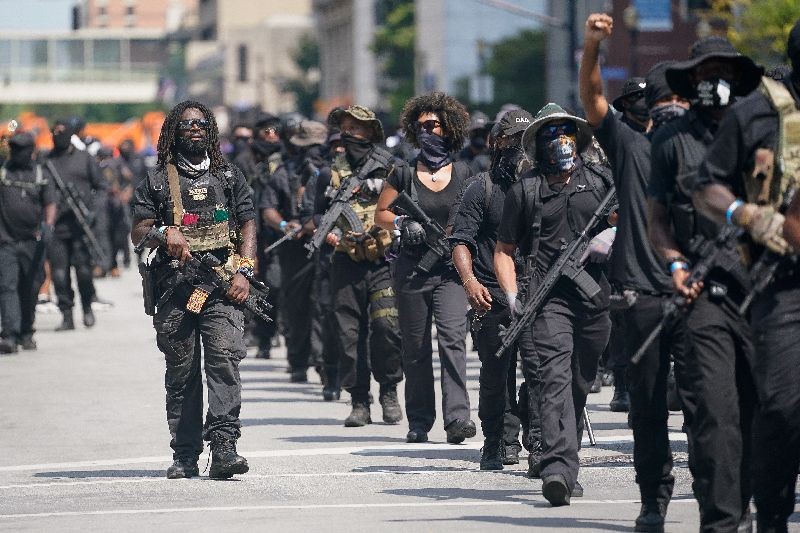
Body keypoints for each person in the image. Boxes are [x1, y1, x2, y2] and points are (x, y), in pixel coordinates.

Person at [579, 14, 696, 531]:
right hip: (641, 296)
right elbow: (593, 99)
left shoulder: (712, 144)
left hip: (698, 295)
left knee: (707, 403)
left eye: (676, 98)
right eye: (659, 101)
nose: (666, 108)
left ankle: (718, 494)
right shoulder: (629, 143)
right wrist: (591, 47)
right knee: (647, 408)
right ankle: (654, 498)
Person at [647, 36, 763, 532]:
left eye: (722, 71)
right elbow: (657, 220)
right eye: (704, 72)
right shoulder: (671, 141)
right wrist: (674, 264)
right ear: (691, 81)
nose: (713, 81)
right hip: (704, 293)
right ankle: (721, 522)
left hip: (765, 292)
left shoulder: (764, 132)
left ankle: (757, 506)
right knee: (715, 414)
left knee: (766, 413)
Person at [692, 19, 800, 532]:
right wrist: (747, 215)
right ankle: (773, 513)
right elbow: (706, 187)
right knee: (780, 405)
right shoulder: (756, 113)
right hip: (783, 283)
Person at [494, 103, 614, 506]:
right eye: (549, 133)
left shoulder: (600, 182)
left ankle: (566, 456)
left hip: (595, 296)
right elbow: (504, 250)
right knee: (553, 381)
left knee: (579, 384)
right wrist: (512, 297)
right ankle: (558, 469)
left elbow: (632, 218)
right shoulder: (525, 190)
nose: (559, 140)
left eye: (565, 131)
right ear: (538, 145)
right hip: (546, 300)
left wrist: (608, 240)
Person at [131, 100, 256, 480]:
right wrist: (161, 232)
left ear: (211, 130)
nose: (194, 129)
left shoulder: (230, 176)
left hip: (222, 287)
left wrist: (245, 270)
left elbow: (248, 222)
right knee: (182, 372)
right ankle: (185, 454)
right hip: (175, 290)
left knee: (224, 361)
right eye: (186, 125)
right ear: (174, 132)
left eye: (201, 123)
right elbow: (138, 229)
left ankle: (224, 448)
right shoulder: (155, 181)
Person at [375, 92, 476, 444]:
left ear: (449, 127)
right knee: (416, 348)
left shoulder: (465, 172)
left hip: (450, 271)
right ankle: (418, 421)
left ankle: (458, 418)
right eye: (421, 127)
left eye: (433, 124)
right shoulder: (403, 172)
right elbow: (381, 214)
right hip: (412, 271)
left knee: (453, 341)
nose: (427, 131)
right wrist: (403, 222)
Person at [449, 109, 542, 469]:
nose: (519, 149)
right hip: (492, 298)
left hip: (538, 295)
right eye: (511, 141)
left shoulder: (544, 186)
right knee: (495, 374)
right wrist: (470, 282)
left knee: (540, 372)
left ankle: (538, 440)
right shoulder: (482, 187)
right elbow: (460, 241)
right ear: (496, 143)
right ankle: (498, 439)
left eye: (525, 141)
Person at [311, 105, 403, 427]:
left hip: (383, 261)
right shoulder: (329, 171)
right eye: (346, 128)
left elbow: (407, 207)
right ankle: (359, 400)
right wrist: (331, 236)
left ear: (371, 133)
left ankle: (389, 390)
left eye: (357, 128)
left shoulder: (391, 168)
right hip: (345, 262)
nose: (350, 133)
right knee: (348, 335)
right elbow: (317, 215)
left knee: (386, 328)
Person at [260, 120, 327, 382]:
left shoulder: (333, 174)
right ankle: (298, 361)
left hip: (327, 246)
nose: (310, 154)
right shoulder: (284, 172)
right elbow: (268, 209)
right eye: (305, 147)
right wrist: (286, 225)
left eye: (316, 148)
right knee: (296, 307)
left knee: (324, 306)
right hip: (294, 249)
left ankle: (324, 364)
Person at [46, 119, 106, 330]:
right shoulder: (47, 161)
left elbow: (100, 187)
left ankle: (87, 308)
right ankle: (67, 315)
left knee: (83, 273)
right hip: (58, 229)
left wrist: (92, 212)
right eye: (54, 132)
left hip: (81, 227)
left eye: (61, 132)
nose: (57, 135)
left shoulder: (85, 159)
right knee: (60, 276)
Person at [0, 132, 56, 353]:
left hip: (33, 242)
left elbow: (50, 203)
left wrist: (48, 225)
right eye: (13, 149)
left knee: (31, 286)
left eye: (20, 149)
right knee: (7, 286)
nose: (16, 153)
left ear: (30, 151)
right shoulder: (4, 172)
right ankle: (10, 335)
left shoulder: (40, 173)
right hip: (6, 241)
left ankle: (26, 331)